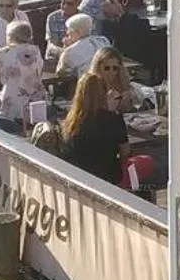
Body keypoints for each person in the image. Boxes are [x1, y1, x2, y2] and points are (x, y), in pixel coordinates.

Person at [56, 50, 152, 188]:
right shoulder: (113, 119)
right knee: (148, 162)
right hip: (107, 179)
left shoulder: (73, 118)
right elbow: (125, 153)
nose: (112, 72)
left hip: (78, 178)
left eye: (115, 68)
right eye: (107, 68)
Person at [0, 19, 46, 122]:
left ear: (9, 36)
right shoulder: (35, 50)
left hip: (12, 100)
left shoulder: (1, 53)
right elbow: (39, 72)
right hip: (36, 98)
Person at [55, 11, 105, 77]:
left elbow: (60, 73)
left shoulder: (70, 52)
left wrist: (65, 49)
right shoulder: (103, 40)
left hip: (87, 84)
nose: (67, 33)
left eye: (69, 32)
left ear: (77, 32)